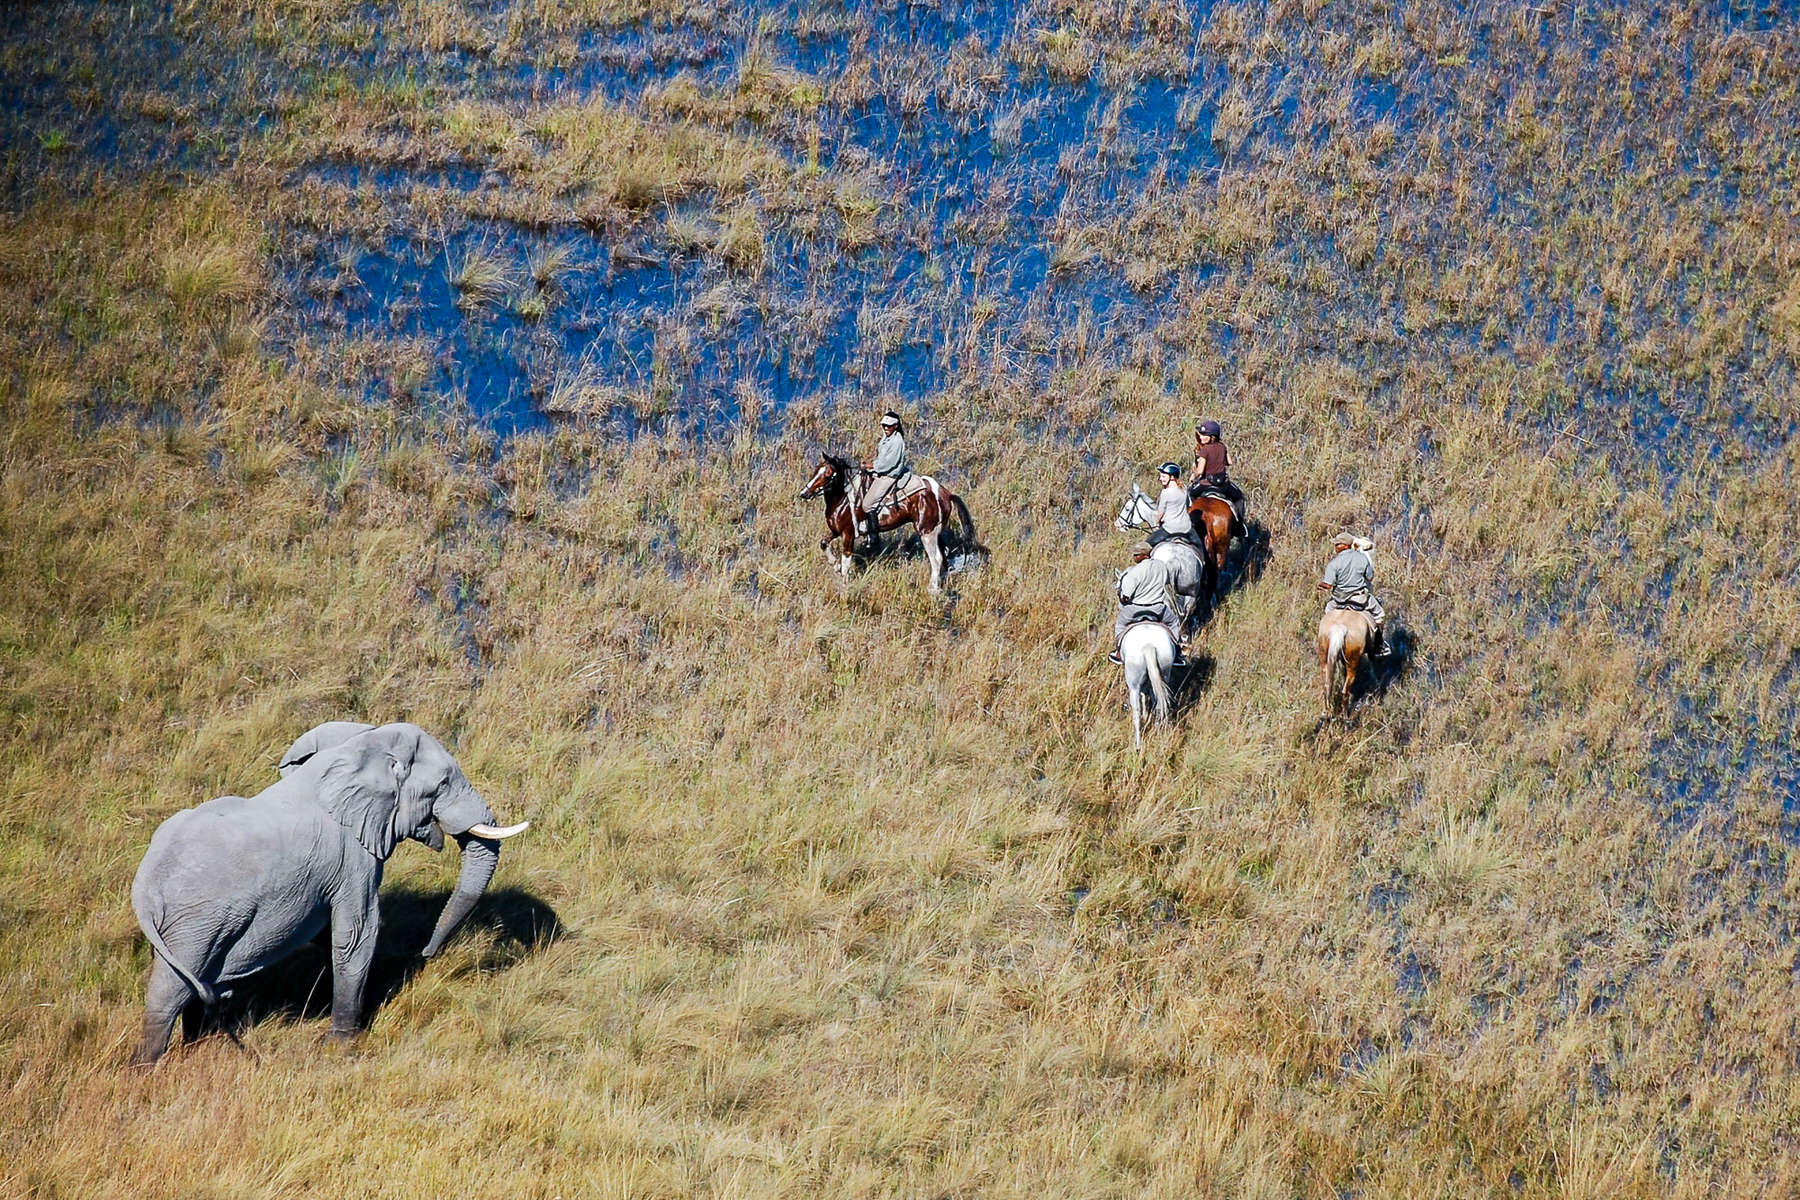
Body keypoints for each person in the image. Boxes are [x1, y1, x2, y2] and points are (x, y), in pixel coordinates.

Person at [1110, 541, 1187, 667]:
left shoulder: (1134, 571)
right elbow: (1166, 581)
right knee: (1173, 623)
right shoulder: (1162, 566)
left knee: (1120, 624)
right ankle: (1177, 652)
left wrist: (1123, 598)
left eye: (1136, 555)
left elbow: (1125, 597)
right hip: (1158, 609)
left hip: (1135, 609)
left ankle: (1118, 652)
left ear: (1144, 556)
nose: (1134, 557)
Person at [1318, 531, 1388, 655]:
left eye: (1337, 544)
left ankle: (1324, 642)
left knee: (1327, 612)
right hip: (1360, 598)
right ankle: (1379, 645)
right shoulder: (1362, 558)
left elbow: (1328, 585)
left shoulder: (1334, 563)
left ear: (1345, 545)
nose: (1335, 547)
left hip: (1339, 600)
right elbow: (1370, 578)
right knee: (1379, 615)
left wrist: (1321, 585)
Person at [860, 410, 910, 536]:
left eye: (889, 426)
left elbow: (889, 463)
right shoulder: (887, 437)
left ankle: (874, 536)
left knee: (867, 505)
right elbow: (882, 457)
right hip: (881, 471)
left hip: (889, 475)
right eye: (884, 425)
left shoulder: (897, 442)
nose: (886, 428)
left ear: (896, 426)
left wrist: (872, 465)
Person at [1190, 419, 1245, 520]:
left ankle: (1191, 521)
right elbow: (1230, 462)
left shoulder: (1204, 450)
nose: (1201, 437)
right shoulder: (1222, 447)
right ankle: (1240, 524)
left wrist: (1193, 476)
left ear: (1212, 437)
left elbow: (1200, 471)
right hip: (1223, 484)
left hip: (1206, 484)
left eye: (1204, 435)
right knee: (1239, 497)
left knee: (1190, 494)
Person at [1144, 462, 1199, 550]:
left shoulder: (1165, 492)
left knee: (1144, 547)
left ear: (1172, 477)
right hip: (1186, 528)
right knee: (1200, 548)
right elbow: (1189, 506)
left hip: (1169, 529)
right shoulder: (1184, 489)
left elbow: (1160, 514)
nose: (1160, 479)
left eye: (1163, 476)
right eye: (1161, 476)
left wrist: (1157, 522)